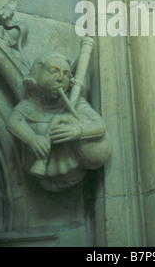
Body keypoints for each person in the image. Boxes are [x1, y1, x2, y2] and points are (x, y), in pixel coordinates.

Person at [7, 52, 111, 192]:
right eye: (54, 71)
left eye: (66, 74)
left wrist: (78, 131)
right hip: (41, 171)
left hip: (73, 168)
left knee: (72, 120)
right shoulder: (31, 104)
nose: (60, 78)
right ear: (38, 73)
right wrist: (32, 139)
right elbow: (14, 121)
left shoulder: (74, 102)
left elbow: (100, 125)